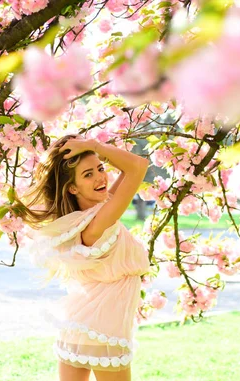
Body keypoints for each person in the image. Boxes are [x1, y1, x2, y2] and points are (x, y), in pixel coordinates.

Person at [15, 134, 151, 381]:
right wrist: (94, 146)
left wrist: (92, 151)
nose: (100, 177)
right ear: (73, 188)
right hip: (104, 323)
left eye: (100, 168)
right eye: (88, 175)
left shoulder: (89, 216)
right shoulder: (99, 222)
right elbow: (138, 167)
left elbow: (133, 166)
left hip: (80, 320)